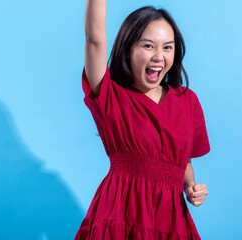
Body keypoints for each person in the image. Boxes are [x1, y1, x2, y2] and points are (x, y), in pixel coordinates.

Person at [75, 0, 211, 239]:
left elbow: (184, 160)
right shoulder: (111, 96)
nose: (159, 56)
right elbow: (94, 40)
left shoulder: (188, 101)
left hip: (170, 219)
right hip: (118, 215)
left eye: (167, 48)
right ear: (129, 49)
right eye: (148, 46)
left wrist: (191, 187)